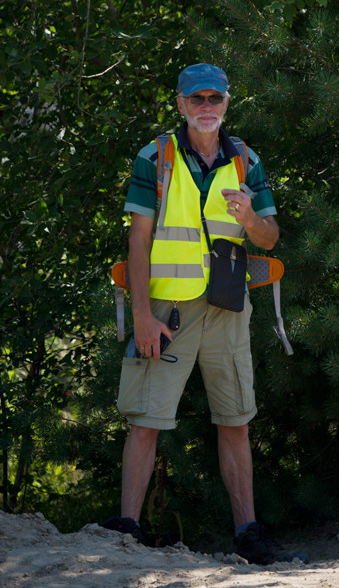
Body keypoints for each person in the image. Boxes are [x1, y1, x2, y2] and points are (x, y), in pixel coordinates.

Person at [103, 63, 308, 566]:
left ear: (227, 103)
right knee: (145, 419)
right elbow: (139, 239)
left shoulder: (245, 159)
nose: (206, 107)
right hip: (167, 311)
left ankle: (248, 533)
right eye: (197, 99)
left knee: (235, 419)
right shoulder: (157, 157)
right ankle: (128, 528)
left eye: (215, 98)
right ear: (180, 104)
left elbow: (270, 238)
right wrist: (144, 315)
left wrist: (249, 219)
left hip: (228, 307)